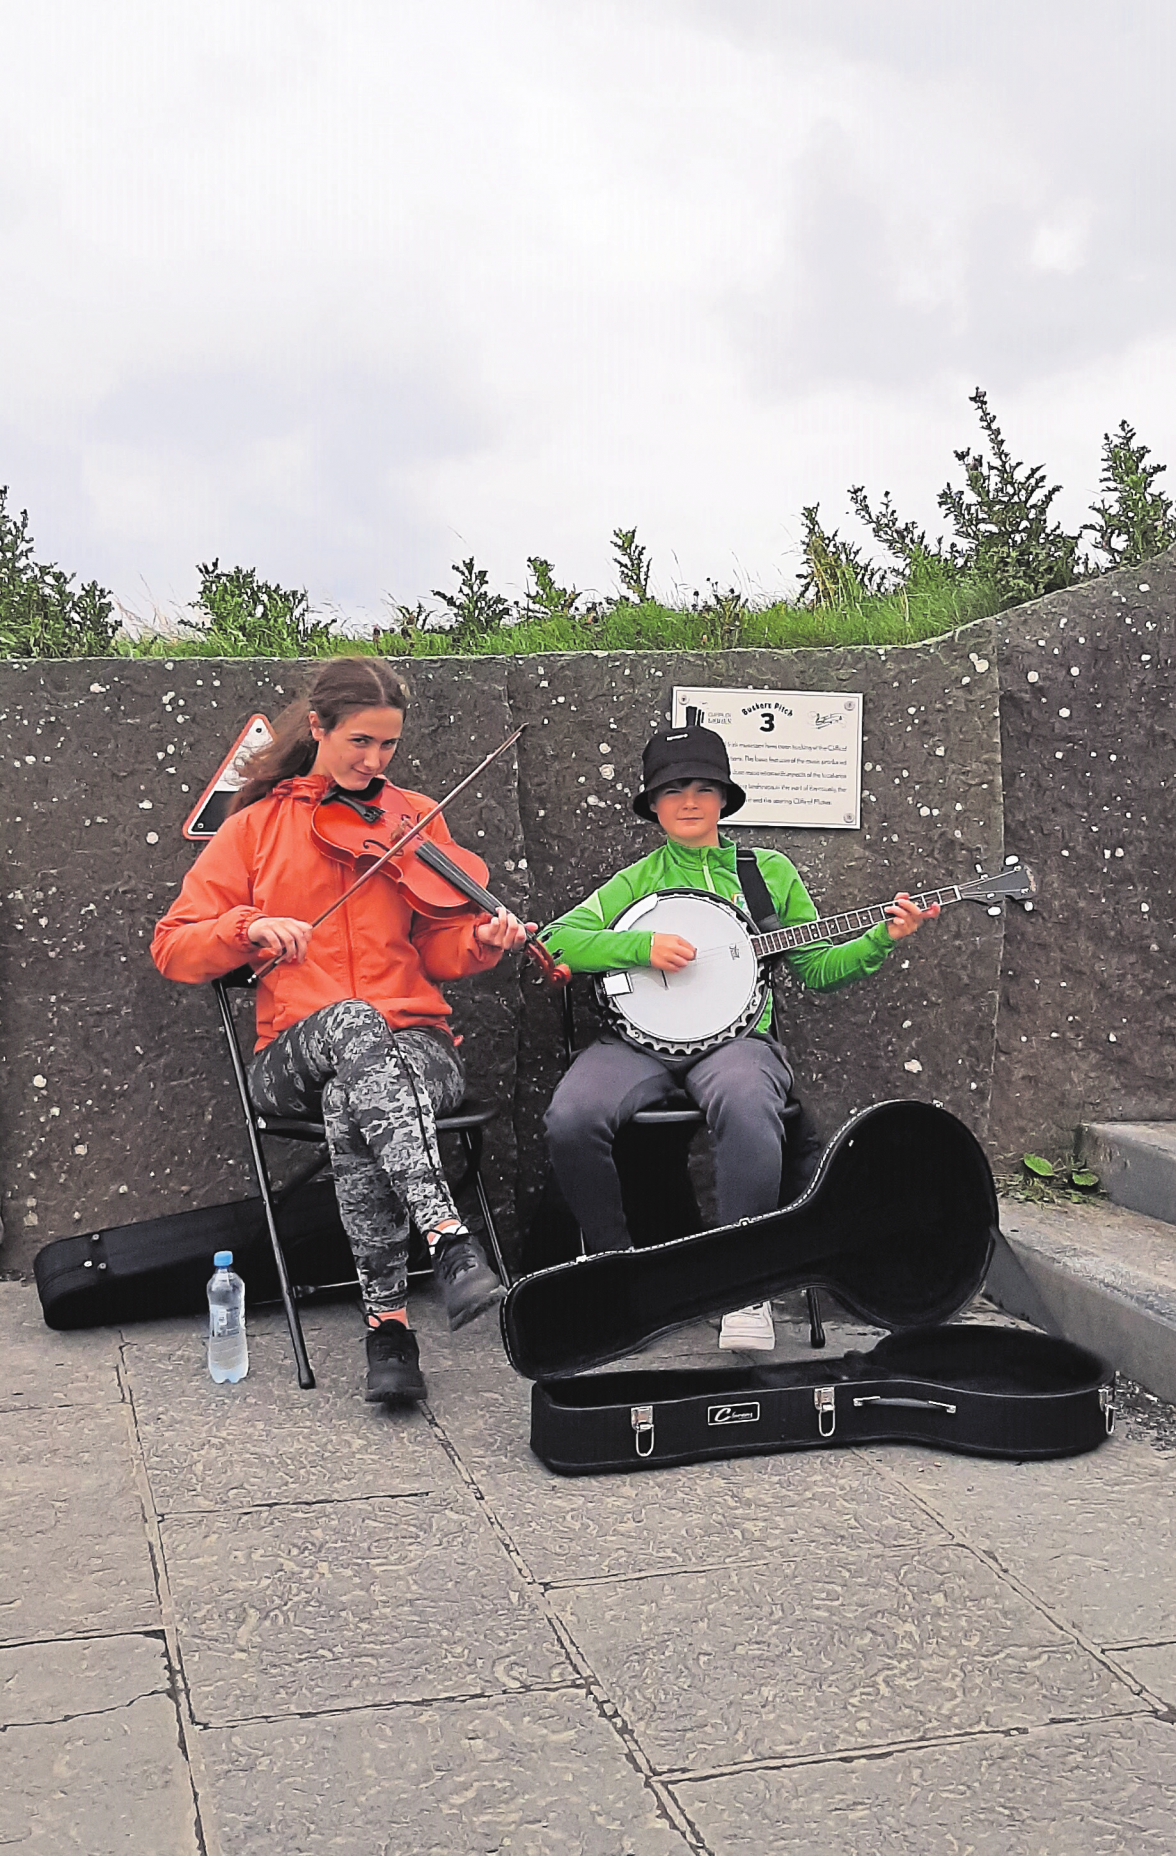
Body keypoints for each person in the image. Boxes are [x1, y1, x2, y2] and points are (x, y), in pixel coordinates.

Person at [151, 656, 531, 1403]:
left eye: (388, 746)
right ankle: (446, 1236)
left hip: (417, 1046)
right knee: (352, 1026)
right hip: (293, 1051)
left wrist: (480, 946)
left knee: (353, 1101)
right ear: (318, 727)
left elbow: (435, 950)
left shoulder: (412, 818)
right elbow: (174, 944)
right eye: (360, 742)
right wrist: (248, 926)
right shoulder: (255, 828)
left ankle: (388, 1328)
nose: (374, 762)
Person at [540, 724, 939, 1350]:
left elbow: (815, 968)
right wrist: (641, 946)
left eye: (704, 788)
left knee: (750, 1104)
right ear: (653, 805)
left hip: (738, 1042)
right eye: (672, 790)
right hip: (636, 1043)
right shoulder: (636, 881)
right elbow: (557, 940)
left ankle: (744, 1289)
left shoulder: (766, 874)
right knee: (572, 1115)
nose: (690, 802)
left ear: (725, 798)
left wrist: (881, 939)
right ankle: (617, 1277)